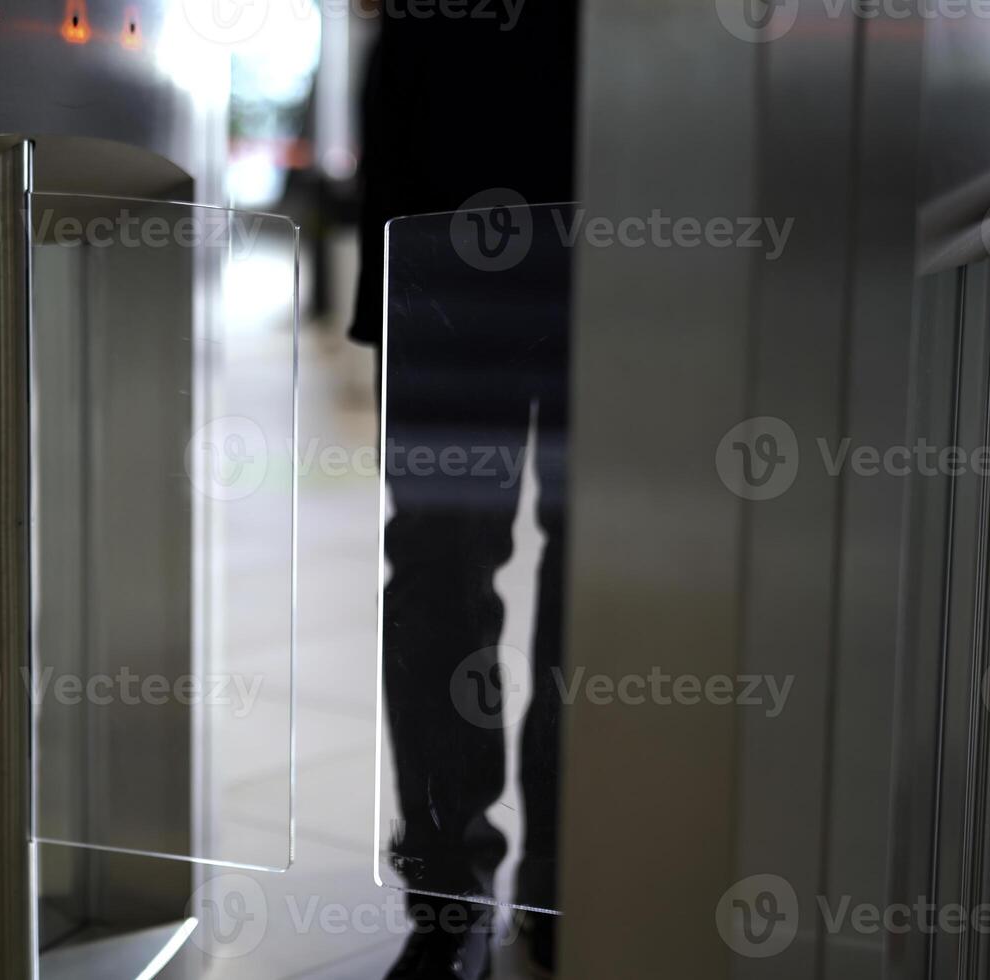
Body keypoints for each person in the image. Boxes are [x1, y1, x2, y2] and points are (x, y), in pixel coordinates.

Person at [350, 3, 580, 977]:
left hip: (641, 166)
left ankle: (569, 880)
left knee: (602, 573)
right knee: (439, 571)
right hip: (439, 186)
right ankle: (448, 898)